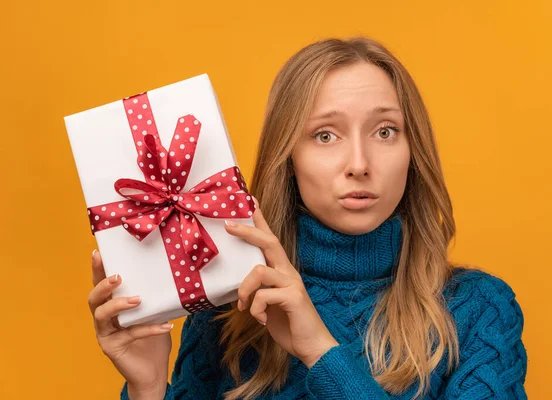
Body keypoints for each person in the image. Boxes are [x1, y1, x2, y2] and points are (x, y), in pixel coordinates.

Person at [87, 37, 528, 400]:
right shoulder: (227, 313)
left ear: (414, 153)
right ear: (289, 159)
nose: (359, 163)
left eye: (385, 131)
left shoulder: (479, 311)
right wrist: (147, 387)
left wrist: (321, 351)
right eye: (325, 135)